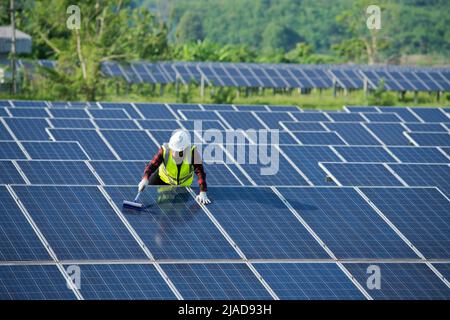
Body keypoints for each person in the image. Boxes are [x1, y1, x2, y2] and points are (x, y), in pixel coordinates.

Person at [138, 130, 211, 205]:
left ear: (186, 149)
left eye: (179, 151)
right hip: (162, 179)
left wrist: (203, 192)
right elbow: (151, 166)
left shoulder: (192, 153)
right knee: (147, 193)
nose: (175, 154)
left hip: (182, 186)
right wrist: (145, 179)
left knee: (176, 208)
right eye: (174, 150)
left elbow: (200, 172)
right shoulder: (165, 150)